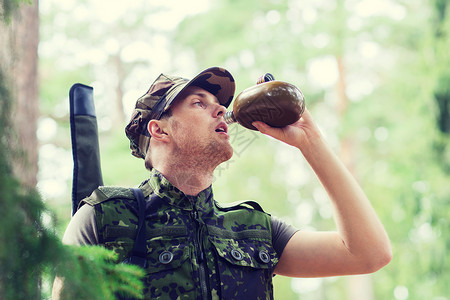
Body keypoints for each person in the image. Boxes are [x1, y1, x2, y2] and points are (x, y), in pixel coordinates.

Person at [52, 67, 392, 299]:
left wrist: (310, 141)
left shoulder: (253, 230)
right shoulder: (106, 219)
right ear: (160, 130)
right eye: (200, 103)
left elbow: (369, 254)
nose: (220, 112)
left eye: (220, 106)